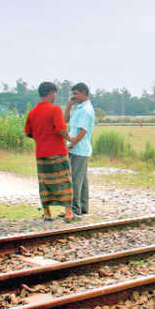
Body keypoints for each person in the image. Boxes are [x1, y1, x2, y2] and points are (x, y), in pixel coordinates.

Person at [24, 82, 76, 222]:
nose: (55, 96)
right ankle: (68, 212)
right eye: (55, 93)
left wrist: (41, 137)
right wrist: (70, 138)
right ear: (51, 92)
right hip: (57, 152)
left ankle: (47, 213)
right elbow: (61, 129)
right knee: (64, 181)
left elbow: (28, 132)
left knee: (45, 183)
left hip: (41, 154)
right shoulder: (55, 110)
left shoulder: (32, 112)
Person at [64, 82, 95, 217]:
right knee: (82, 180)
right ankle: (83, 207)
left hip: (79, 149)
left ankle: (75, 210)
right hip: (77, 149)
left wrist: (71, 145)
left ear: (83, 93)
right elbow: (65, 120)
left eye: (76, 93)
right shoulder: (80, 108)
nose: (74, 96)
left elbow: (82, 132)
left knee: (75, 180)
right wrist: (69, 105)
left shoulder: (86, 110)